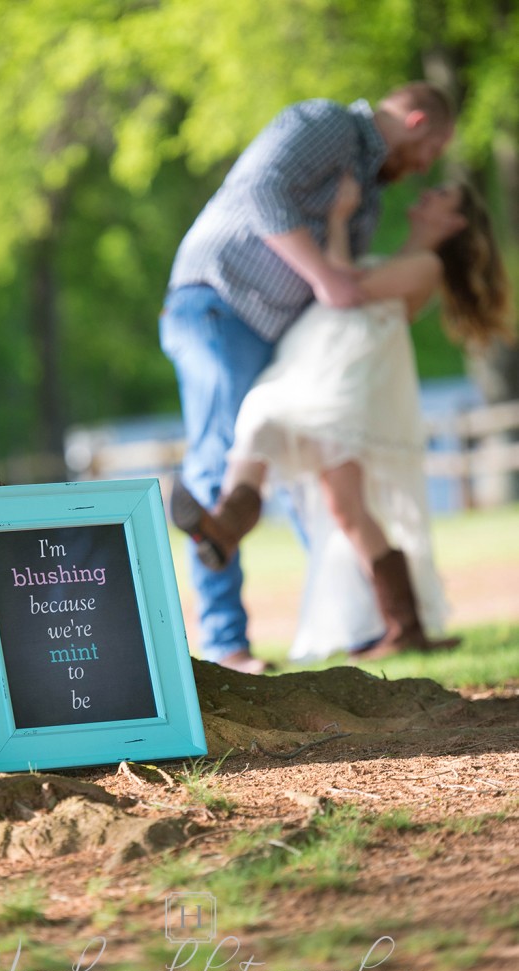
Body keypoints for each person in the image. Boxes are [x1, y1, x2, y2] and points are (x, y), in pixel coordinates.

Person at [160, 82, 455, 673]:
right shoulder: (327, 124)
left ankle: (360, 625)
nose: (426, 167)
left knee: (309, 481)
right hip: (222, 304)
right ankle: (225, 644)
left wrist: (337, 241)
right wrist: (322, 274)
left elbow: (352, 284)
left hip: (276, 333)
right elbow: (260, 190)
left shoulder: (368, 191)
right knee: (221, 457)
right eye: (433, 150)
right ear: (417, 122)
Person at [171, 177, 513, 661]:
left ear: (455, 223)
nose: (426, 194)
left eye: (440, 197)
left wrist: (336, 220)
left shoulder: (426, 265)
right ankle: (225, 529)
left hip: (345, 385)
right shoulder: (397, 257)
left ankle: (403, 624)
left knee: (295, 451)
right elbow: (340, 279)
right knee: (321, 482)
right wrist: (338, 223)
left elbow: (344, 289)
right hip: (315, 370)